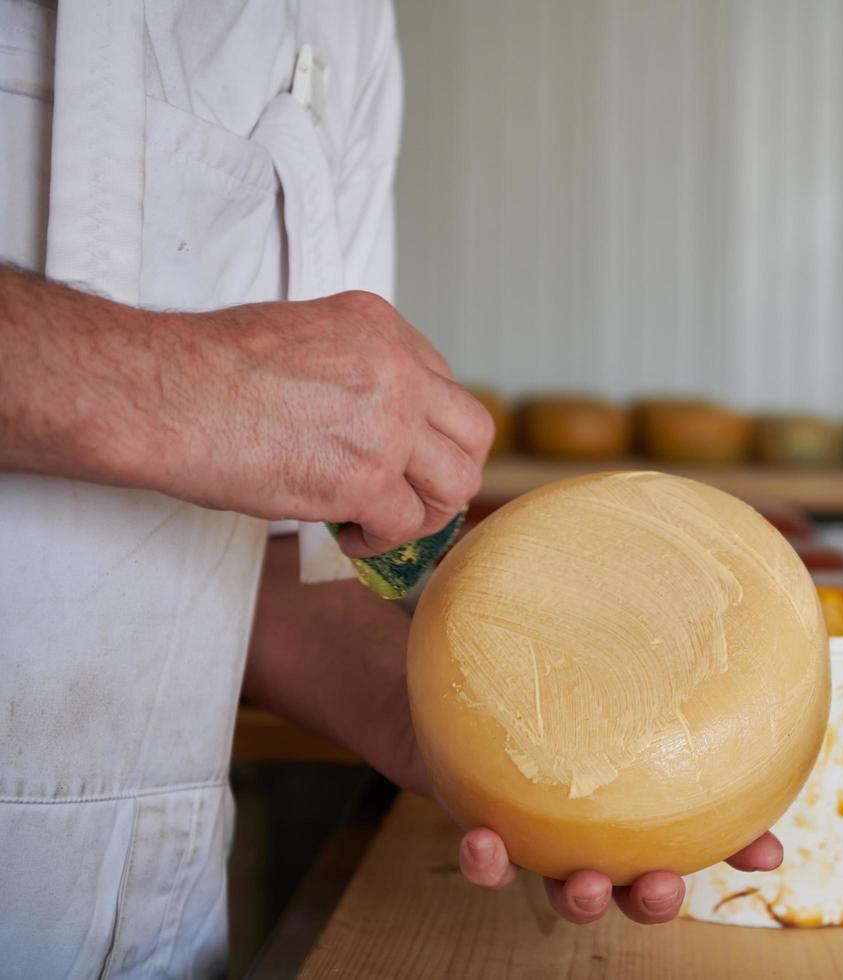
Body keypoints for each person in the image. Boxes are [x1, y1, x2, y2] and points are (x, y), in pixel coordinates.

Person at [0, 3, 779, 975]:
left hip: (153, 926)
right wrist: (176, 386)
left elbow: (254, 574)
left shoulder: (343, 25)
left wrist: (450, 720)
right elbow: (207, 410)